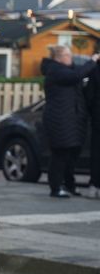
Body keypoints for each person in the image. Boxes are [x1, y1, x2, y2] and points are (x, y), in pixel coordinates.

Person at [40, 45, 97, 197]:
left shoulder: (65, 70)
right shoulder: (55, 71)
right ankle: (56, 187)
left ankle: (69, 185)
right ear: (58, 58)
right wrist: (92, 61)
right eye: (67, 55)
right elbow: (76, 76)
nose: (70, 58)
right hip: (59, 119)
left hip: (71, 120)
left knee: (71, 155)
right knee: (60, 153)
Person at [86, 51, 100, 199]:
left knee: (96, 153)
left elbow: (89, 96)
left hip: (97, 118)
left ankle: (94, 184)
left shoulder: (95, 71)